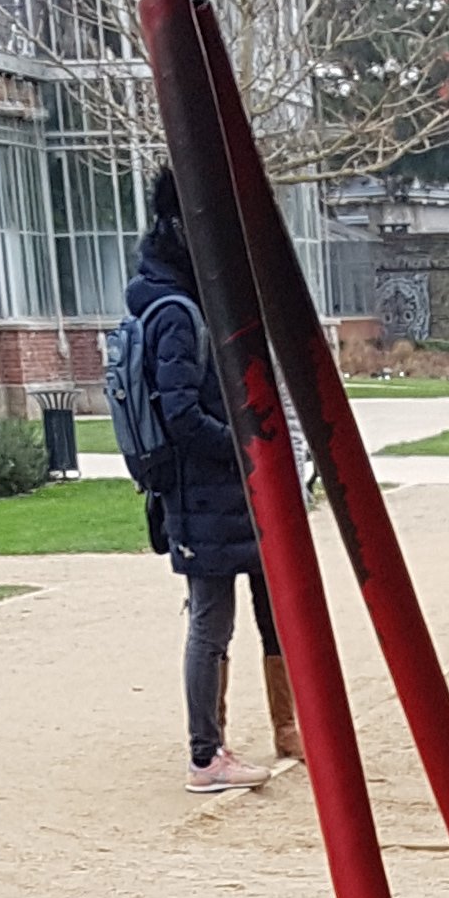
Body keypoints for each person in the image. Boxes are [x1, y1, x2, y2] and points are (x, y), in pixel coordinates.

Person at [120, 169, 295, 798]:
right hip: (204, 495)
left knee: (268, 609)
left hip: (225, 493)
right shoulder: (175, 312)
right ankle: (206, 753)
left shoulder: (187, 302)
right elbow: (182, 415)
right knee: (211, 623)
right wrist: (248, 451)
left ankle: (283, 728)